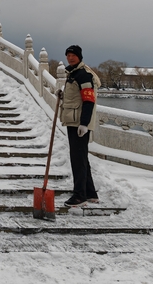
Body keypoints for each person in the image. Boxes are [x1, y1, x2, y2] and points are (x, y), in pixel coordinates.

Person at [58, 44, 101, 208]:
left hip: (78, 123)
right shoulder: (74, 73)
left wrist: (84, 124)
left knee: (77, 159)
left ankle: (79, 196)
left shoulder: (83, 75)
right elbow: (75, 96)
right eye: (68, 55)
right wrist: (62, 95)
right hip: (73, 120)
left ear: (79, 56)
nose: (70, 57)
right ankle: (90, 193)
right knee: (81, 158)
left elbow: (89, 100)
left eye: (73, 55)